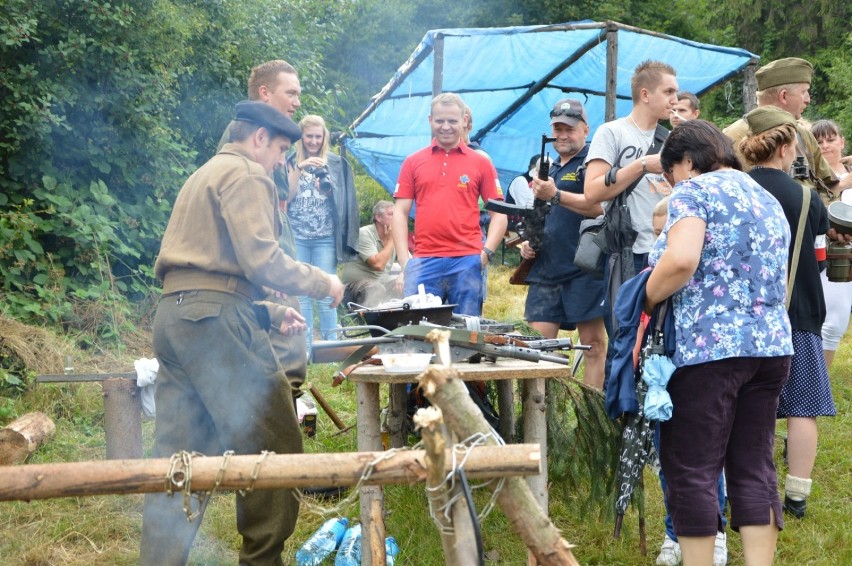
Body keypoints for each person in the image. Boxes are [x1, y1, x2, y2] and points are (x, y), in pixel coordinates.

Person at [141, 101, 345, 565]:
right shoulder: (248, 173)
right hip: (209, 321)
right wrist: (322, 282)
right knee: (274, 441)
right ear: (258, 139)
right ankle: (262, 560)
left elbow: (204, 276)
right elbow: (262, 260)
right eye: (278, 151)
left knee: (180, 457)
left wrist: (262, 315)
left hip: (175, 320)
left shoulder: (203, 173)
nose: (278, 163)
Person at [646, 120, 793, 566]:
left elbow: (683, 258)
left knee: (691, 469)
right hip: (770, 348)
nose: (672, 185)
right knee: (753, 466)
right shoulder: (764, 195)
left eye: (671, 174)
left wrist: (646, 298)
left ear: (686, 163)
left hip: (708, 351)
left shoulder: (694, 191)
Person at [740, 107, 835, 520]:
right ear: (785, 145)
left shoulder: (735, 188)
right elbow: (818, 259)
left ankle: (743, 486)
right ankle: (796, 495)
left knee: (742, 405)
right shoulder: (807, 197)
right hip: (796, 313)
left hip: (742, 318)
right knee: (802, 406)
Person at [218, 59, 308, 387]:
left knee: (286, 347)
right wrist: (268, 268)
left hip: (276, 253)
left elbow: (280, 201)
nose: (297, 102)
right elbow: (241, 207)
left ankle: (272, 420)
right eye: (291, 93)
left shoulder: (276, 136)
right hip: (263, 262)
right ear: (265, 93)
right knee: (288, 346)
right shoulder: (243, 136)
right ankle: (273, 425)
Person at [392, 92, 507, 316]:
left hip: (466, 260)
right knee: (417, 332)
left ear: (464, 121)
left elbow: (499, 215)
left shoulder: (481, 162)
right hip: (424, 261)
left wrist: (485, 254)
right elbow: (400, 212)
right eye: (440, 121)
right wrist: (405, 260)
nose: (446, 126)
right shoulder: (413, 162)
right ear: (430, 121)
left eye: (452, 121)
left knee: (466, 333)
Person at [518, 98, 607, 390]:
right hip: (545, 269)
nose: (563, 135)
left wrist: (555, 194)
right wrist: (528, 244)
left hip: (584, 268)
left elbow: (601, 208)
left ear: (585, 129)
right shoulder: (549, 167)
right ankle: (545, 419)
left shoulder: (593, 165)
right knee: (539, 350)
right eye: (558, 128)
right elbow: (542, 217)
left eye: (570, 128)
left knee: (593, 345)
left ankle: (591, 421)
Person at [723, 57, 852, 199]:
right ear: (784, 96)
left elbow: (829, 189)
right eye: (804, 92)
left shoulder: (803, 135)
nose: (808, 100)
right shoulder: (731, 137)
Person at [287, 114, 359, 349]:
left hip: (325, 236)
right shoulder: (289, 160)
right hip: (296, 235)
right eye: (309, 136)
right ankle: (305, 347)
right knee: (301, 290)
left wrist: (328, 191)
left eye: (318, 136)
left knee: (328, 289)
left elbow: (345, 203)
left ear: (324, 137)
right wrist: (300, 167)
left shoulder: (336, 163)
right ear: (301, 136)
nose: (314, 141)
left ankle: (331, 346)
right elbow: (285, 197)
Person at [812, 119, 852, 370]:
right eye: (819, 141)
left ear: (842, 141)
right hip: (831, 257)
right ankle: (819, 383)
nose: (825, 145)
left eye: (830, 139)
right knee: (832, 323)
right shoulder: (812, 179)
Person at [341, 200, 403, 307]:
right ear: (378, 217)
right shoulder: (364, 234)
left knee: (408, 283)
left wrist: (402, 277)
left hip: (380, 285)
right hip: (353, 287)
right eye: (390, 214)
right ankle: (365, 321)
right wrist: (391, 240)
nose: (396, 218)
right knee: (375, 288)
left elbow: (410, 263)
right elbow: (378, 265)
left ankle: (397, 321)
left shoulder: (396, 235)